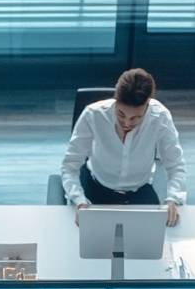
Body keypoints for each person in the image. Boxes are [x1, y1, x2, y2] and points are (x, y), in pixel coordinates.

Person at [61, 68, 187, 227]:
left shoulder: (160, 117)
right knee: (90, 244)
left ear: (147, 105)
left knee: (154, 242)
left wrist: (173, 199)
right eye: (121, 114)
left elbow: (176, 165)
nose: (127, 123)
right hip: (95, 189)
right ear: (115, 100)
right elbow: (69, 165)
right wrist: (79, 201)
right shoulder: (93, 115)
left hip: (139, 191)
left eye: (136, 117)